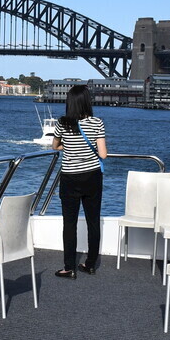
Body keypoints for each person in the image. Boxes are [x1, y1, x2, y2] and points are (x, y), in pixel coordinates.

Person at [51, 84, 107, 279]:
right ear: (87, 101)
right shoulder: (97, 122)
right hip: (92, 177)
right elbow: (103, 154)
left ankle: (69, 267)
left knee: (70, 223)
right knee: (93, 221)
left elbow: (55, 146)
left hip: (70, 178)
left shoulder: (62, 123)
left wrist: (69, 147)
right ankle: (90, 264)